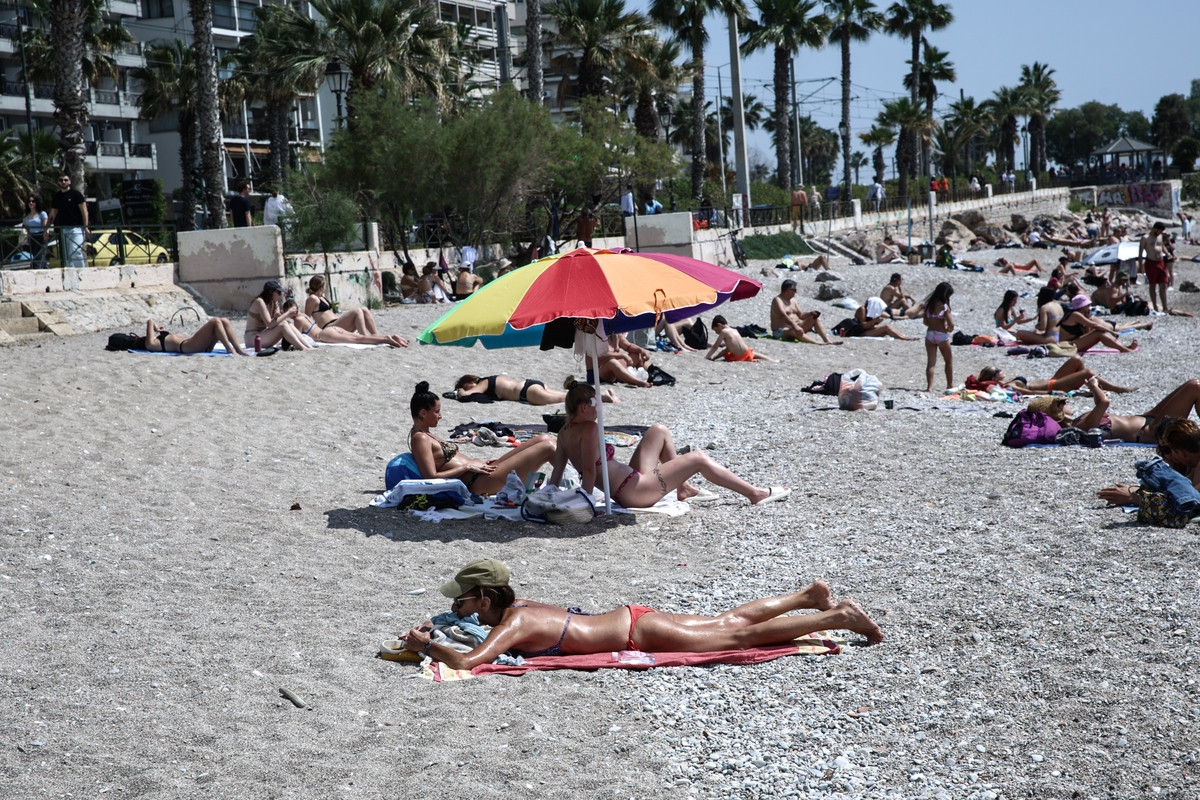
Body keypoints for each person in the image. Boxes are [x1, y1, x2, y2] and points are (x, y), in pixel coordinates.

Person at [395, 559, 882, 669]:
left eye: (460, 602)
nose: (455, 609)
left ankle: (835, 617)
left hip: (637, 635)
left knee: (735, 639)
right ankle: (807, 596)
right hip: (634, 618)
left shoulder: (514, 623)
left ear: (483, 598)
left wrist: (426, 645)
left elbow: (468, 662)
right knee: (727, 622)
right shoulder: (518, 609)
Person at [549, 379, 789, 507]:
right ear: (583, 407)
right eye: (596, 404)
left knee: (658, 431)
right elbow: (589, 472)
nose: (600, 409)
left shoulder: (564, 432)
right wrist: (587, 505)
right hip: (633, 491)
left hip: (629, 483)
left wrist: (549, 495)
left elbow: (557, 472)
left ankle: (682, 488)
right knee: (697, 457)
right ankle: (755, 493)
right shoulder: (590, 428)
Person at [409, 382, 555, 495]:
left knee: (543, 438)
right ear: (423, 413)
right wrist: (467, 466)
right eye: (437, 412)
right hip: (479, 482)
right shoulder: (420, 438)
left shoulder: (426, 434)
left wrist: (475, 463)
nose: (440, 416)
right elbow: (431, 477)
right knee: (547, 447)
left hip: (481, 472)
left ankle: (575, 479)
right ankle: (575, 484)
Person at [1097, 419, 1200, 526]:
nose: (1168, 456)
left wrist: (1133, 498)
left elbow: (1189, 501)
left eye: (1168, 450)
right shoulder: (1192, 466)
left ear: (1181, 452)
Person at [1035, 378, 1200, 442]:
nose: (1067, 403)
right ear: (1059, 413)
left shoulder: (1080, 421)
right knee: (1195, 388)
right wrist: (1093, 387)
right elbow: (1103, 403)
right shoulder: (1080, 427)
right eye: (1062, 403)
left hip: (1147, 417)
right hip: (1150, 431)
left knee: (1191, 383)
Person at [303, 275, 397, 339]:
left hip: (337, 323)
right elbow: (306, 317)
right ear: (321, 286)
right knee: (356, 311)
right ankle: (365, 337)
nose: (326, 287)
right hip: (329, 327)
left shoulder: (322, 297)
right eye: (325, 286)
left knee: (363, 309)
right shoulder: (312, 298)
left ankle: (375, 335)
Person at [972, 360, 1135, 396]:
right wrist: (1053, 394)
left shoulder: (1005, 383)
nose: (1001, 369)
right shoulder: (1008, 386)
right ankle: (1116, 389)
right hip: (1054, 386)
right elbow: (1026, 393)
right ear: (994, 376)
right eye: (998, 370)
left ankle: (1094, 389)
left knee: (1076, 360)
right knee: (1087, 372)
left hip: (1052, 380)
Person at [283, 300, 407, 347]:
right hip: (333, 329)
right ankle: (389, 337)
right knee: (359, 337)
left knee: (359, 339)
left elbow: (297, 338)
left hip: (324, 335)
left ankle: (386, 339)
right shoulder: (304, 315)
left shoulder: (298, 320)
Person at [453, 374, 618, 405]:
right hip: (531, 384)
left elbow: (468, 393)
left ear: (471, 380)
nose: (465, 388)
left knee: (568, 398)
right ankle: (599, 395)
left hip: (526, 392)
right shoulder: (491, 380)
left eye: (464, 384)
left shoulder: (483, 382)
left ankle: (603, 397)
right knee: (567, 395)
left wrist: (458, 393)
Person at [1057, 294, 1142, 353]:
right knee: (1099, 333)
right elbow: (1095, 325)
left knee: (1099, 333)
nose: (1089, 308)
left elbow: (1087, 334)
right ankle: (1124, 349)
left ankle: (1124, 347)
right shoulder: (1075, 315)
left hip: (1073, 344)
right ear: (1081, 306)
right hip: (1067, 346)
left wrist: (1088, 319)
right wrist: (1112, 332)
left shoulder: (1080, 315)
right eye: (1087, 305)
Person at [244, 280, 314, 351]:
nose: (280, 295)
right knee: (283, 325)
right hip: (253, 338)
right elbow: (270, 324)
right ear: (271, 292)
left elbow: (277, 320)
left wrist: (278, 314)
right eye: (278, 292)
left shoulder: (273, 303)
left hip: (263, 335)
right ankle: (302, 348)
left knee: (288, 323)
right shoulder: (260, 302)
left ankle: (308, 346)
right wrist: (288, 313)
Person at [126, 317, 252, 356]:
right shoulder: (151, 345)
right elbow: (149, 320)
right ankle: (231, 349)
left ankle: (238, 349)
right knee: (215, 321)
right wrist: (154, 328)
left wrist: (156, 329)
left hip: (194, 344)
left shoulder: (155, 341)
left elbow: (151, 322)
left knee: (223, 320)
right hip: (188, 347)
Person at [770, 280, 842, 345]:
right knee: (794, 331)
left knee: (816, 319)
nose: (796, 292)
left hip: (796, 327)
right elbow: (783, 315)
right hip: (781, 330)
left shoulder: (793, 300)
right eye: (794, 290)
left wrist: (810, 313)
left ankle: (827, 340)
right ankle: (817, 343)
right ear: (787, 290)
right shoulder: (777, 300)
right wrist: (795, 326)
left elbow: (801, 315)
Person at [48, 173, 88, 269]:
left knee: (75, 251)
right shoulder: (57, 196)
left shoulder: (76, 194)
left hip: (76, 228)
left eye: (65, 180)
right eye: (61, 180)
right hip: (63, 229)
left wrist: (86, 227)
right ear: (58, 182)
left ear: (69, 181)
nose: (63, 182)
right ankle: (71, 275)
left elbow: (84, 211)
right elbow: (53, 212)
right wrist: (47, 228)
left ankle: (82, 272)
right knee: (66, 256)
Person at [585, 332, 653, 387]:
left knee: (637, 355)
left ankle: (652, 373)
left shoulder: (616, 333)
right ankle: (638, 382)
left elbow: (628, 346)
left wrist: (641, 350)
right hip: (597, 373)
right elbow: (599, 358)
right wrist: (622, 355)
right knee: (612, 362)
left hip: (614, 371)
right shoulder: (595, 335)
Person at [835, 297, 916, 341]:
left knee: (885, 330)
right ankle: (903, 338)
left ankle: (903, 336)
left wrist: (876, 322)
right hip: (859, 332)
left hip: (865, 330)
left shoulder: (870, 311)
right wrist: (874, 321)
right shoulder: (862, 310)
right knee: (886, 327)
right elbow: (863, 325)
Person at [922, 282, 954, 392]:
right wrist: (948, 328)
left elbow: (925, 322)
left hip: (930, 334)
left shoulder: (927, 305)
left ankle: (929, 387)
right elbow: (951, 325)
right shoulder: (944, 307)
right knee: (948, 361)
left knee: (931, 362)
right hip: (941, 335)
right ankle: (950, 385)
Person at [705, 315, 775, 362]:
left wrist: (709, 356)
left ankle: (713, 358)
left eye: (716, 330)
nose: (716, 333)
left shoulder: (724, 331)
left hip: (738, 358)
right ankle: (771, 360)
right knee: (752, 353)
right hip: (748, 354)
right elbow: (729, 348)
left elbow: (715, 347)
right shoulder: (734, 330)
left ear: (719, 325)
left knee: (726, 353)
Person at [1138, 222, 1170, 314]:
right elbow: (1140, 253)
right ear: (1155, 229)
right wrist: (1141, 266)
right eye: (1160, 231)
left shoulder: (1160, 236)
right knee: (1152, 285)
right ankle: (1155, 306)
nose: (1160, 233)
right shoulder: (1145, 238)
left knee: (1163, 284)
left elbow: (1162, 246)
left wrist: (1167, 254)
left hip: (1161, 262)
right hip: (1151, 263)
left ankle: (1165, 306)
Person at [22, 196, 49, 268]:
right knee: (35, 255)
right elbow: (25, 226)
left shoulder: (42, 213)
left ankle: (37, 269)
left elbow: (45, 226)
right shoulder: (26, 215)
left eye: (33, 201)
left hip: (41, 236)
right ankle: (45, 269)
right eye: (29, 201)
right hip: (31, 237)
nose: (31, 203)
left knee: (39, 256)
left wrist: (45, 234)